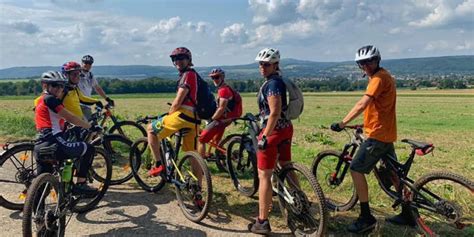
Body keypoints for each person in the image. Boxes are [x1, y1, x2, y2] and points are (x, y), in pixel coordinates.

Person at [330, 45, 411, 234]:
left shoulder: (378, 78)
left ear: (377, 61)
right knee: (394, 175)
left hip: (377, 136)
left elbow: (363, 103)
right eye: (362, 63)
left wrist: (342, 123)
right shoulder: (385, 76)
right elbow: (377, 108)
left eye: (369, 61)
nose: (366, 66)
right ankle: (408, 212)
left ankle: (366, 217)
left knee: (356, 169)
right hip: (386, 133)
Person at [146, 47, 203, 207]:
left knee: (151, 129)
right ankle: (198, 191)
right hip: (195, 120)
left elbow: (178, 102)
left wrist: (168, 114)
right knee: (192, 155)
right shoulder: (196, 76)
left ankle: (158, 164)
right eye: (175, 59)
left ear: (188, 59)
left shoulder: (187, 75)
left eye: (181, 58)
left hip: (182, 116)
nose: (177, 61)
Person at [248, 48, 293, 235]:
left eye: (266, 64)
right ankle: (300, 200)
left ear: (275, 65)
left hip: (273, 132)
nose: (262, 67)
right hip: (286, 129)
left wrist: (265, 136)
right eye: (260, 64)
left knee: (264, 175)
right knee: (286, 165)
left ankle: (262, 221)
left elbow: (274, 112)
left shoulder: (272, 84)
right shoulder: (278, 81)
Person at [34, 71, 101, 197]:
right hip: (54, 142)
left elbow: (49, 119)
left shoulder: (40, 100)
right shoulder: (51, 99)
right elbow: (71, 117)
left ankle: (36, 214)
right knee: (89, 148)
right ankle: (81, 184)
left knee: (43, 187)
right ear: (45, 86)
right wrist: (90, 126)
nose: (59, 89)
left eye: (61, 86)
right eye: (55, 85)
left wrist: (63, 124)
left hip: (40, 144)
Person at [198, 68, 242, 157]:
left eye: (217, 77)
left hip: (223, 119)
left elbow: (221, 108)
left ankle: (201, 163)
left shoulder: (223, 90)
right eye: (212, 78)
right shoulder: (226, 88)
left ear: (222, 77)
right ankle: (219, 156)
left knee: (201, 140)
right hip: (228, 118)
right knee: (215, 140)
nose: (215, 79)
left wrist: (212, 119)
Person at [78, 55, 114, 120]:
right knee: (90, 126)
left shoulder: (90, 75)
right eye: (86, 63)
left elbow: (97, 88)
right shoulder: (77, 74)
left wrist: (107, 98)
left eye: (90, 63)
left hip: (87, 104)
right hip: (79, 104)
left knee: (90, 124)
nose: (88, 65)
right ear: (82, 63)